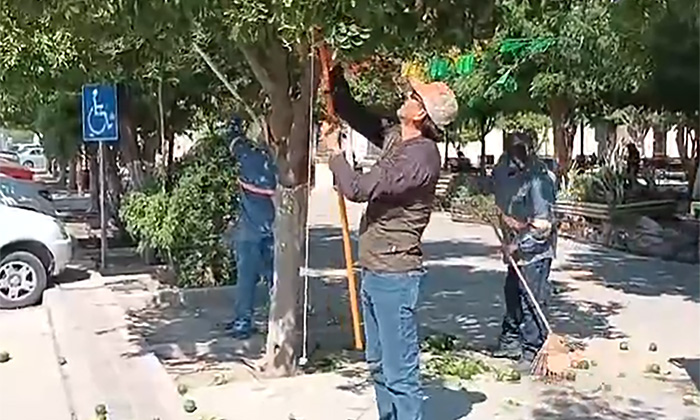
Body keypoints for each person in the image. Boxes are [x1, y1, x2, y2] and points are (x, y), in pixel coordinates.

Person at [322, 66, 458, 420]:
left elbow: (356, 188)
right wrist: (333, 79)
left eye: (414, 97)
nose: (407, 97)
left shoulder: (420, 158)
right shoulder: (399, 136)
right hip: (375, 270)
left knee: (400, 374)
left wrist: (334, 153)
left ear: (421, 114)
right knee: (379, 366)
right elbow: (360, 117)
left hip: (395, 277)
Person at [491, 131, 558, 366]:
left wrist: (517, 244)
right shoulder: (502, 169)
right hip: (514, 246)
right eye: (513, 150)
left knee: (532, 299)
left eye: (522, 149)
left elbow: (543, 226)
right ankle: (510, 341)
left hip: (535, 250)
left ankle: (534, 348)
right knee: (512, 294)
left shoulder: (540, 180)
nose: (517, 155)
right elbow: (500, 201)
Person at [226, 116, 278, 340]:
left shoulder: (248, 157)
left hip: (249, 232)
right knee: (274, 278)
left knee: (246, 279)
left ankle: (242, 321)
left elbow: (234, 141)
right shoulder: (279, 163)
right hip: (274, 230)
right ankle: (277, 320)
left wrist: (235, 123)